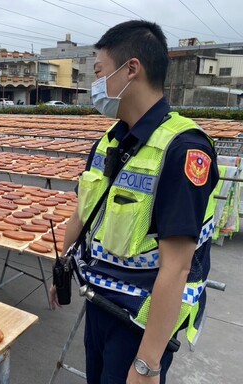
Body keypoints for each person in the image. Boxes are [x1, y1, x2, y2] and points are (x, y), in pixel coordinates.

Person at [49, 20, 219, 384]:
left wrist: (147, 364)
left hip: (140, 321)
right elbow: (83, 211)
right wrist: (62, 267)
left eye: (98, 72)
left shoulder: (183, 149)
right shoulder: (110, 140)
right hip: (98, 303)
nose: (94, 86)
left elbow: (177, 267)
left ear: (132, 69)